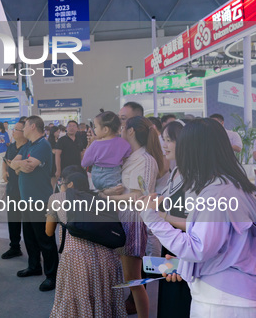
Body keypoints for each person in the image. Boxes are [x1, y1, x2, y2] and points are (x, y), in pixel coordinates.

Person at [140, 118, 256, 316]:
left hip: (220, 301)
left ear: (193, 150)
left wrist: (152, 218)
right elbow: (219, 247)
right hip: (230, 296)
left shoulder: (216, 192)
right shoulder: (234, 185)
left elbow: (197, 249)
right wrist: (184, 264)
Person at [99, 116, 165, 318]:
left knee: (133, 279)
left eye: (122, 128)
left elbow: (139, 195)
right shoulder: (133, 156)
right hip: (122, 220)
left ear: (131, 131)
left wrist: (111, 197)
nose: (119, 132)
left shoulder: (145, 160)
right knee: (129, 277)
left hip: (133, 222)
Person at [46, 171, 127, 318]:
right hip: (107, 260)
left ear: (69, 184)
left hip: (76, 259)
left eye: (62, 183)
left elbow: (48, 231)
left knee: (77, 301)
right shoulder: (101, 200)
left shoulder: (57, 198)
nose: (60, 186)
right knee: (102, 302)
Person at [10, 116, 58, 292]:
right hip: (26, 201)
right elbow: (13, 165)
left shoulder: (42, 145)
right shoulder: (28, 146)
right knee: (29, 237)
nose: (22, 129)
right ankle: (34, 266)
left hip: (40, 201)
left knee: (45, 239)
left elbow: (28, 165)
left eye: (24, 126)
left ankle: (52, 275)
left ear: (33, 126)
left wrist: (18, 165)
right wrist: (19, 164)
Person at [154, 119, 192, 318]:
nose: (164, 145)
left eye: (169, 140)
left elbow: (194, 224)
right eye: (163, 139)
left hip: (185, 245)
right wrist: (155, 201)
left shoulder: (194, 176)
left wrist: (162, 216)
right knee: (169, 295)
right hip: (170, 242)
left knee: (180, 299)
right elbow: (169, 200)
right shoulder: (176, 170)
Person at [81, 111, 131, 191]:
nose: (94, 129)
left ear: (105, 129)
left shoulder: (95, 144)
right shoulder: (124, 143)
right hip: (114, 177)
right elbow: (127, 157)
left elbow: (84, 163)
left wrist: (90, 144)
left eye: (96, 127)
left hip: (97, 178)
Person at [0, 120, 27, 259]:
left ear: (24, 132)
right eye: (13, 129)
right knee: (13, 218)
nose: (13, 132)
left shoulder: (29, 147)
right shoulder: (12, 147)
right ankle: (15, 246)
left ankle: (33, 250)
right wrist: (4, 171)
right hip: (12, 188)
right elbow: (5, 161)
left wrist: (16, 167)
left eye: (16, 129)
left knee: (29, 221)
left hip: (26, 189)